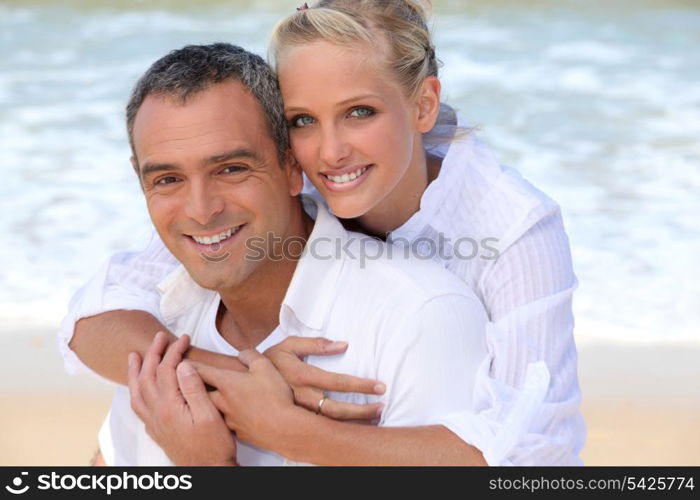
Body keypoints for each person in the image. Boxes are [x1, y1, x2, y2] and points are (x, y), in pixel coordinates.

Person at [59, 0, 585, 465]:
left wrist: (290, 430)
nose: (330, 152)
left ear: (423, 106)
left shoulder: (508, 227)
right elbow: (95, 312)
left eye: (361, 112)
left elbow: (531, 452)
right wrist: (238, 375)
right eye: (303, 120)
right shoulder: (280, 183)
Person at [96, 42, 488, 466]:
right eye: (168, 179)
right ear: (140, 181)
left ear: (291, 167)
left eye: (231, 170)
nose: (201, 210)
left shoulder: (419, 318)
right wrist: (230, 376)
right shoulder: (165, 323)